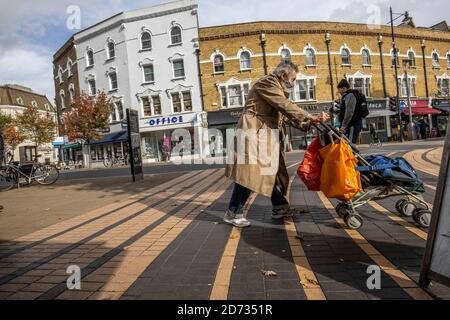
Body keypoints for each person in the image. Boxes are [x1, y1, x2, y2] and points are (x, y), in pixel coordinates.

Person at [223, 62, 329, 228]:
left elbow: (284, 116)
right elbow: (284, 105)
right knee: (249, 173)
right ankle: (233, 212)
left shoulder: (278, 90)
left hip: (264, 133)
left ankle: (279, 206)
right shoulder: (268, 82)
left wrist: (308, 123)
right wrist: (309, 116)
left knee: (268, 172)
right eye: (293, 79)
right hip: (253, 129)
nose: (293, 83)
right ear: (283, 75)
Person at [337, 80, 364, 144]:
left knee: (350, 144)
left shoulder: (350, 95)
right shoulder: (347, 96)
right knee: (347, 144)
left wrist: (343, 125)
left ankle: (351, 154)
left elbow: (349, 112)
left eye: (339, 89)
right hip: (350, 125)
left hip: (352, 125)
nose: (338, 92)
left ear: (344, 88)